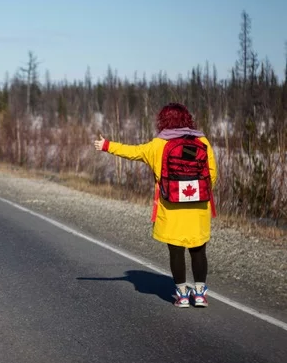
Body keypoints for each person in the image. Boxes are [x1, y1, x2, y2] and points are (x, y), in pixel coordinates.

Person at [93, 103, 217, 308]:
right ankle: (200, 294)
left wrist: (107, 145)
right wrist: (196, 190)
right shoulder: (202, 140)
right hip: (198, 206)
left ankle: (183, 295)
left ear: (163, 121)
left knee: (176, 250)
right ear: (187, 119)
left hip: (171, 206)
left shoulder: (158, 145)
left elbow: (132, 151)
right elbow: (212, 174)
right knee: (198, 250)